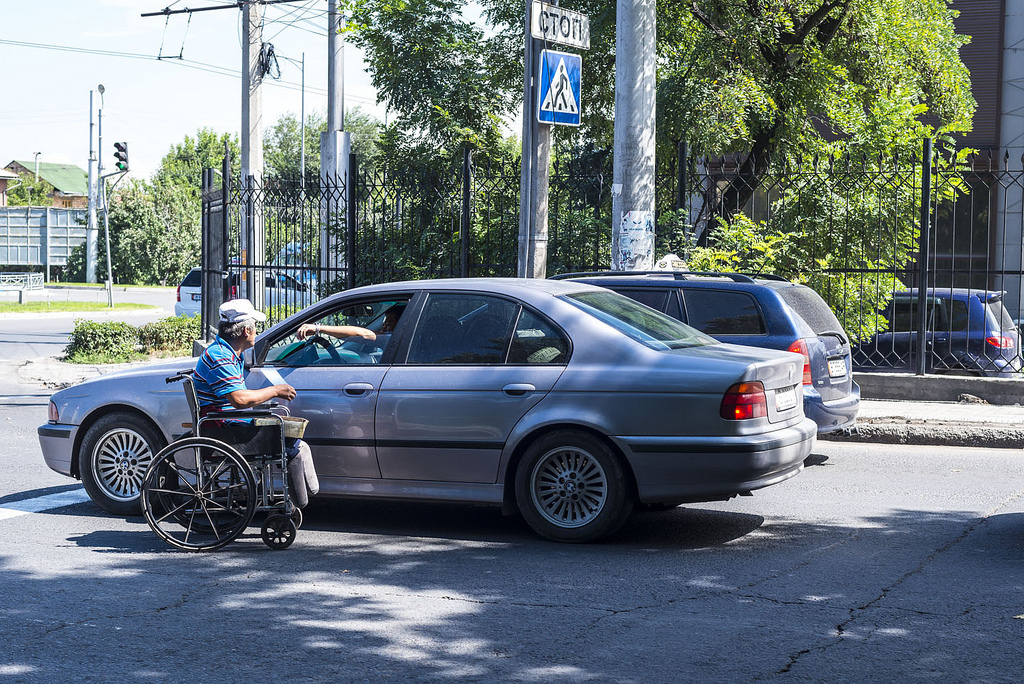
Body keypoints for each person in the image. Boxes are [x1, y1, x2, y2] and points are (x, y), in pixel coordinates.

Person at [193, 298, 319, 508]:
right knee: (293, 445)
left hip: (229, 423)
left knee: (293, 436)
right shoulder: (220, 357)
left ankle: (300, 500)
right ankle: (299, 505)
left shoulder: (229, 354)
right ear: (246, 331)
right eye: (255, 328)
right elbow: (239, 400)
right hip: (224, 429)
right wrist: (275, 391)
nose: (256, 333)